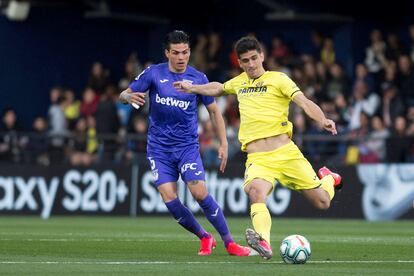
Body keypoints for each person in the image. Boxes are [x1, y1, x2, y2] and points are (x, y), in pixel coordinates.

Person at [174, 36, 343, 260]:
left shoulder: (279, 79)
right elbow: (218, 89)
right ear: (240, 63)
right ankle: (264, 242)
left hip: (286, 153)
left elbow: (303, 102)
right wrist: (192, 88)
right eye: (246, 60)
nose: (251, 64)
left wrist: (322, 120)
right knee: (255, 192)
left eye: (254, 58)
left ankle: (329, 178)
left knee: (323, 202)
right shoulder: (239, 82)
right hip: (258, 158)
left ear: (262, 56)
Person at [119, 30, 250, 257]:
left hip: (187, 147)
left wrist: (224, 143)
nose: (181, 57)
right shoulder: (153, 73)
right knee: (169, 198)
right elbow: (123, 94)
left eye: (185, 52)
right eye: (176, 53)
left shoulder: (198, 78)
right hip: (159, 149)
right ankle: (204, 237)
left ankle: (230, 243)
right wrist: (128, 97)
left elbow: (214, 112)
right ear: (167, 53)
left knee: (199, 192)